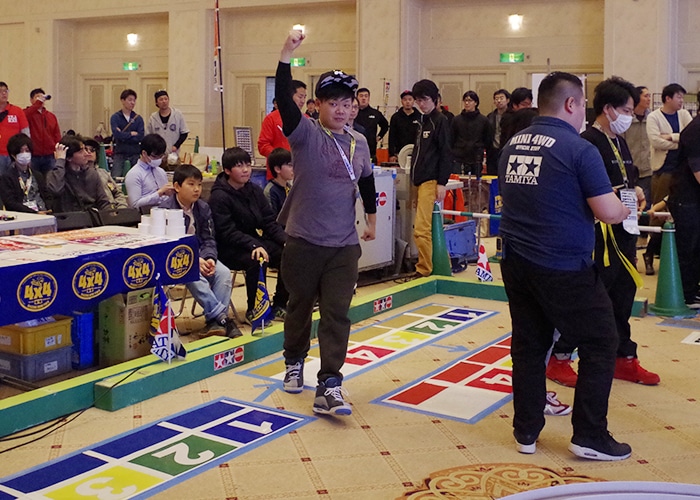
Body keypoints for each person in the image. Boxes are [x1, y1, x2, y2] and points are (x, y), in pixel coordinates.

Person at [498, 71, 632, 461]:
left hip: (516, 260)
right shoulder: (579, 148)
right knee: (601, 341)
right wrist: (626, 207)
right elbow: (608, 212)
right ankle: (590, 434)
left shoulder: (513, 144)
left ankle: (526, 431)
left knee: (529, 344)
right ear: (571, 104)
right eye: (583, 103)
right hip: (562, 266)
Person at [276, 30, 377, 416]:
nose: (340, 110)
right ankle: (293, 361)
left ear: (354, 107)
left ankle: (330, 385)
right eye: (332, 102)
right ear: (317, 105)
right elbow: (284, 99)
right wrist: (286, 54)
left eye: (346, 103)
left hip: (343, 245)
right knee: (300, 306)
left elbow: (366, 180)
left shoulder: (359, 141)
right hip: (303, 240)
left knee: (337, 313)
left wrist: (371, 220)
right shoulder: (304, 133)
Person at [546, 76, 659, 389]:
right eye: (626, 111)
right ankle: (560, 356)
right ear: (608, 109)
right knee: (590, 301)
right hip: (598, 239)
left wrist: (635, 191)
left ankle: (623, 358)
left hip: (625, 232)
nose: (630, 117)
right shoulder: (587, 142)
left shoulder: (619, 141)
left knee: (623, 296)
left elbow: (625, 178)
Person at [209, 147, 289, 326]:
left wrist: (285, 240)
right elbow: (226, 231)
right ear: (227, 170)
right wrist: (253, 244)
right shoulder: (219, 196)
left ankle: (280, 303)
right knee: (257, 259)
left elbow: (269, 221)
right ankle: (254, 309)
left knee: (288, 253)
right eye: (239, 166)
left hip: (251, 241)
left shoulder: (254, 190)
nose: (246, 170)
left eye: (247, 165)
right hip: (227, 248)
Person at [161, 163, 243, 338]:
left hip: (201, 256)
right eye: (191, 184)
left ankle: (215, 322)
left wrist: (210, 258)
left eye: (199, 184)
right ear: (177, 186)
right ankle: (223, 318)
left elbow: (209, 238)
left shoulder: (203, 207)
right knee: (194, 275)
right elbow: (167, 245)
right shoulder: (165, 210)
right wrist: (193, 259)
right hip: (176, 260)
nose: (197, 189)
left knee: (223, 273)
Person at [643, 83, 693, 275]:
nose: (681, 101)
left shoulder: (684, 115)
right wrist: (680, 141)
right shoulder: (654, 117)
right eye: (678, 97)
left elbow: (689, 138)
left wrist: (671, 137)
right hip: (663, 171)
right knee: (659, 213)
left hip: (683, 172)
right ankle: (649, 253)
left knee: (679, 216)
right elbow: (656, 141)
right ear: (667, 98)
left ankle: (671, 255)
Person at [410, 79, 453, 278]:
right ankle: (427, 264)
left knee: (421, 228)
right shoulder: (422, 121)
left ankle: (424, 269)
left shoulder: (440, 121)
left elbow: (446, 153)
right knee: (420, 226)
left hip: (430, 181)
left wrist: (442, 182)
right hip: (418, 180)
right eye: (418, 100)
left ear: (435, 99)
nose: (421, 104)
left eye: (425, 100)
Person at [667, 101, 700, 307]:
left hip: (694, 199)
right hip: (686, 199)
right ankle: (687, 294)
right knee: (688, 248)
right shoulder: (695, 130)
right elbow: (698, 171)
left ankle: (693, 289)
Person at [623, 86, 653, 254]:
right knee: (631, 206)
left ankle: (643, 237)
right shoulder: (627, 120)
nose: (649, 99)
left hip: (648, 168)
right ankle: (631, 240)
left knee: (646, 204)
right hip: (631, 169)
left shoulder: (652, 118)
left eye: (649, 96)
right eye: (645, 96)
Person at [47, 135, 111, 213]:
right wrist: (60, 160)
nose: (86, 153)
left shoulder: (92, 173)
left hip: (91, 216)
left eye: (85, 149)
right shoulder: (57, 175)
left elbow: (103, 202)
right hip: (68, 217)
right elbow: (55, 190)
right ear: (69, 158)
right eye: (80, 151)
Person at [258, 79, 307, 179]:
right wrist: (281, 158)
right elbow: (263, 145)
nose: (303, 101)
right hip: (278, 175)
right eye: (300, 97)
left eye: (304, 97)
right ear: (289, 96)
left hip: (301, 174)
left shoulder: (307, 120)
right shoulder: (271, 118)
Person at [0, 133, 49, 213]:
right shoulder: (7, 178)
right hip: (24, 215)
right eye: (21, 151)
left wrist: (48, 209)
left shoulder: (38, 175)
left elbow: (47, 196)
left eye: (27, 151)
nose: (24, 154)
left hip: (43, 212)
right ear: (13, 155)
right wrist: (33, 212)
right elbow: (10, 203)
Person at [123, 133, 174, 210]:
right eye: (155, 156)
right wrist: (159, 193)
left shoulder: (161, 172)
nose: (158, 159)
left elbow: (166, 199)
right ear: (144, 153)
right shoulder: (134, 174)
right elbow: (135, 205)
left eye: (161, 156)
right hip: (145, 214)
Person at [451, 90, 495, 176]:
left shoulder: (483, 120)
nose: (467, 103)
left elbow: (488, 139)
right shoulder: (456, 120)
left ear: (476, 103)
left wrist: (480, 148)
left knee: (476, 181)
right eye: (465, 100)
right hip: (459, 156)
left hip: (476, 156)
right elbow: (452, 138)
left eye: (470, 100)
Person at [23, 88, 61, 174]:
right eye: (37, 97)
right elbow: (25, 115)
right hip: (33, 155)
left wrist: (57, 149)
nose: (41, 99)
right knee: (34, 178)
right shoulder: (26, 113)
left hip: (49, 155)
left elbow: (56, 134)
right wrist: (37, 104)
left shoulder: (51, 116)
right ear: (31, 100)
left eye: (42, 97)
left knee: (50, 178)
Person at [82, 137, 128, 209]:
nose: (89, 152)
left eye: (92, 150)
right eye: (86, 149)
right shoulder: (80, 175)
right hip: (98, 211)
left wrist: (122, 207)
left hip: (115, 209)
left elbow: (117, 193)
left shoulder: (103, 173)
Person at [110, 89, 144, 178]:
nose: (132, 103)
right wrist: (131, 134)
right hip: (120, 153)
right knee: (115, 177)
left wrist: (123, 134)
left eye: (134, 100)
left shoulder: (138, 118)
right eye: (130, 100)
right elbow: (117, 135)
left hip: (135, 153)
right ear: (122, 100)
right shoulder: (115, 117)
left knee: (137, 177)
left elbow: (140, 136)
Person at [146, 90, 189, 158]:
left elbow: (184, 132)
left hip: (173, 154)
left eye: (166, 99)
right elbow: (148, 136)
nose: (164, 101)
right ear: (156, 102)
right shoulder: (153, 118)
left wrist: (176, 146)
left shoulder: (177, 114)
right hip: (157, 154)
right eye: (161, 99)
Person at [0, 82, 30, 176]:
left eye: (6, 91)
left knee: (15, 179)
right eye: (0, 91)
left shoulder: (17, 111)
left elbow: (25, 133)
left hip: (14, 154)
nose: (4, 94)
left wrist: (26, 151)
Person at [355, 87, 389, 162]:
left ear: (369, 98)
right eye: (361, 96)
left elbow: (385, 125)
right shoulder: (352, 112)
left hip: (370, 151)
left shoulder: (375, 113)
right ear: (357, 98)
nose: (363, 98)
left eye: (366, 96)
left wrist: (380, 136)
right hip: (354, 149)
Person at [388, 90, 420, 162]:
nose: (407, 102)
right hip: (399, 153)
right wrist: (392, 154)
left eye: (410, 99)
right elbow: (392, 136)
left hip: (416, 152)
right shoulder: (395, 117)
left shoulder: (419, 117)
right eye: (405, 100)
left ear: (414, 101)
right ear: (401, 101)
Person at [263, 147, 293, 217]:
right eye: (290, 165)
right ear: (277, 169)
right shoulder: (270, 191)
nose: (293, 169)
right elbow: (271, 218)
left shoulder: (289, 187)